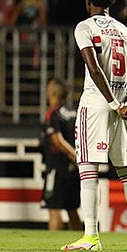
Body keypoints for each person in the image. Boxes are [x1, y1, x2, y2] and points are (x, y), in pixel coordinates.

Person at [61, 0, 127, 252]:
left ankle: (91, 237)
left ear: (88, 1)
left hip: (99, 103)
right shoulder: (125, 32)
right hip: (123, 107)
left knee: (88, 170)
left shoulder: (84, 27)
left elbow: (94, 68)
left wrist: (111, 102)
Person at [40, 78, 81, 232]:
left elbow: (57, 140)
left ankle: (53, 247)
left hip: (57, 166)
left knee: (54, 208)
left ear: (53, 93)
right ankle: (81, 241)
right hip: (74, 169)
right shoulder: (73, 113)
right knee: (72, 209)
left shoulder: (53, 113)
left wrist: (74, 155)